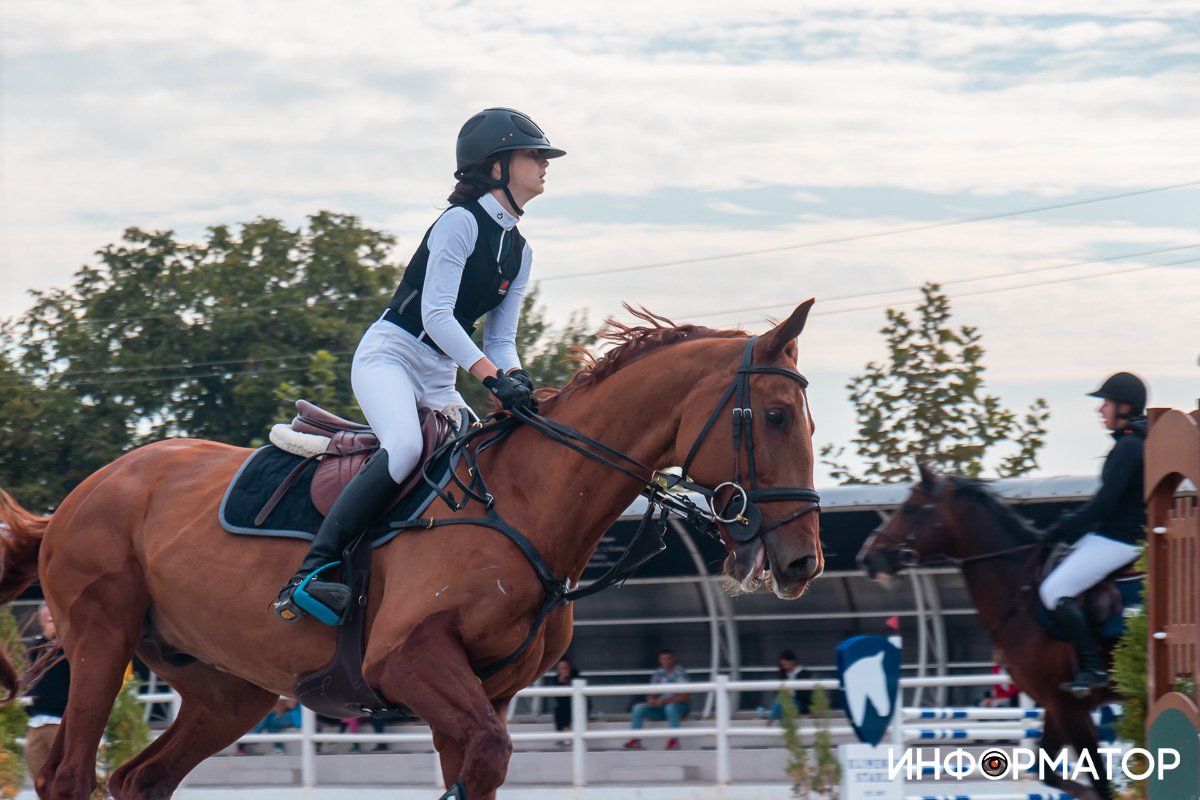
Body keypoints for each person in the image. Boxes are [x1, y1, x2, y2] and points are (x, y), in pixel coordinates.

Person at [273, 108, 565, 625]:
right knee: (406, 446)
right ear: (496, 165)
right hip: (391, 354)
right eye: (533, 155)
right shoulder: (460, 222)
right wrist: (492, 378)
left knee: (476, 461)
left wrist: (516, 378)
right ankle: (311, 573)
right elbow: (437, 315)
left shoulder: (520, 251)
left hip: (438, 374)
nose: (545, 164)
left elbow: (500, 339)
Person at [1041, 372, 1148, 694]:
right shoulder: (1131, 442)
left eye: (1107, 403)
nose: (1100, 410)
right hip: (1113, 534)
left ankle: (1093, 668)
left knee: (1054, 589)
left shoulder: (1129, 446)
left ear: (1124, 407)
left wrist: (1065, 527)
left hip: (1120, 539)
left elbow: (1104, 503)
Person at [24, 604, 69, 782]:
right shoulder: (37, 646)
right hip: (37, 720)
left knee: (62, 773)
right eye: (48, 620)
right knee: (38, 773)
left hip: (61, 721)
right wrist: (46, 640)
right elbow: (31, 668)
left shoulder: (70, 647)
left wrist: (59, 640)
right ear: (41, 622)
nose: (52, 624)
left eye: (55, 620)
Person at [624, 649, 690, 751]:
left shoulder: (680, 672)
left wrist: (664, 701)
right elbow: (651, 692)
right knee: (638, 707)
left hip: (680, 708)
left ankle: (674, 741)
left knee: (670, 707)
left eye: (668, 659)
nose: (665, 661)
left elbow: (683, 697)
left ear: (673, 659)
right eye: (663, 659)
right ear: (660, 660)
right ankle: (635, 740)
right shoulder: (659, 672)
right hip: (662, 708)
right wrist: (651, 701)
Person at [766, 649, 810, 725]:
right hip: (786, 703)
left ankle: (771, 719)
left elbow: (805, 695)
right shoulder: (784, 673)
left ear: (793, 661)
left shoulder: (803, 674)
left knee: (783, 703)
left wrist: (789, 693)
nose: (784, 667)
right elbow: (778, 694)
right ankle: (774, 720)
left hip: (800, 703)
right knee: (781, 700)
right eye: (782, 665)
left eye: (786, 664)